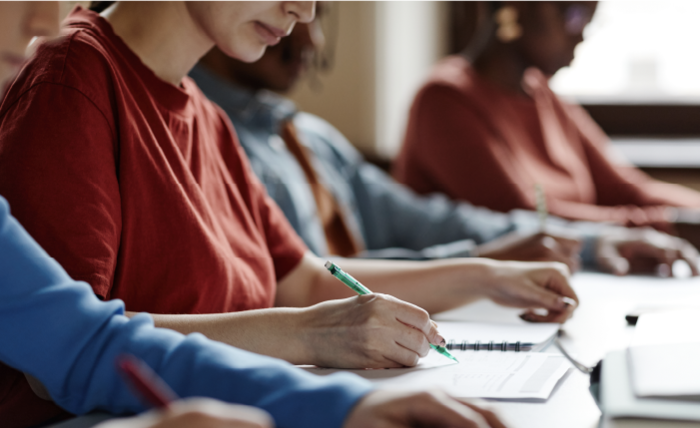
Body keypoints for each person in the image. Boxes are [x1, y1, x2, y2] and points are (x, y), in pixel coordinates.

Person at [0, 2, 542, 428]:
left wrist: (481, 276)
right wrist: (311, 338)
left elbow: (301, 279)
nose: (305, 11)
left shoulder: (207, 118)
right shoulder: (70, 77)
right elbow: (63, 359)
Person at [190, 6, 700, 278]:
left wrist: (592, 243)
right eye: (569, 11)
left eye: (318, 12)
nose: (313, 38)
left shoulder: (310, 137)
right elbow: (301, 282)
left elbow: (429, 221)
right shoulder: (205, 136)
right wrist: (480, 263)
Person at [393, 0, 700, 235]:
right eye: (573, 14)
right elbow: (527, 219)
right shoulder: (444, 100)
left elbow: (629, 190)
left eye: (590, 19)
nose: (581, 34)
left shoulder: (544, 96)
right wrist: (671, 227)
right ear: (517, 6)